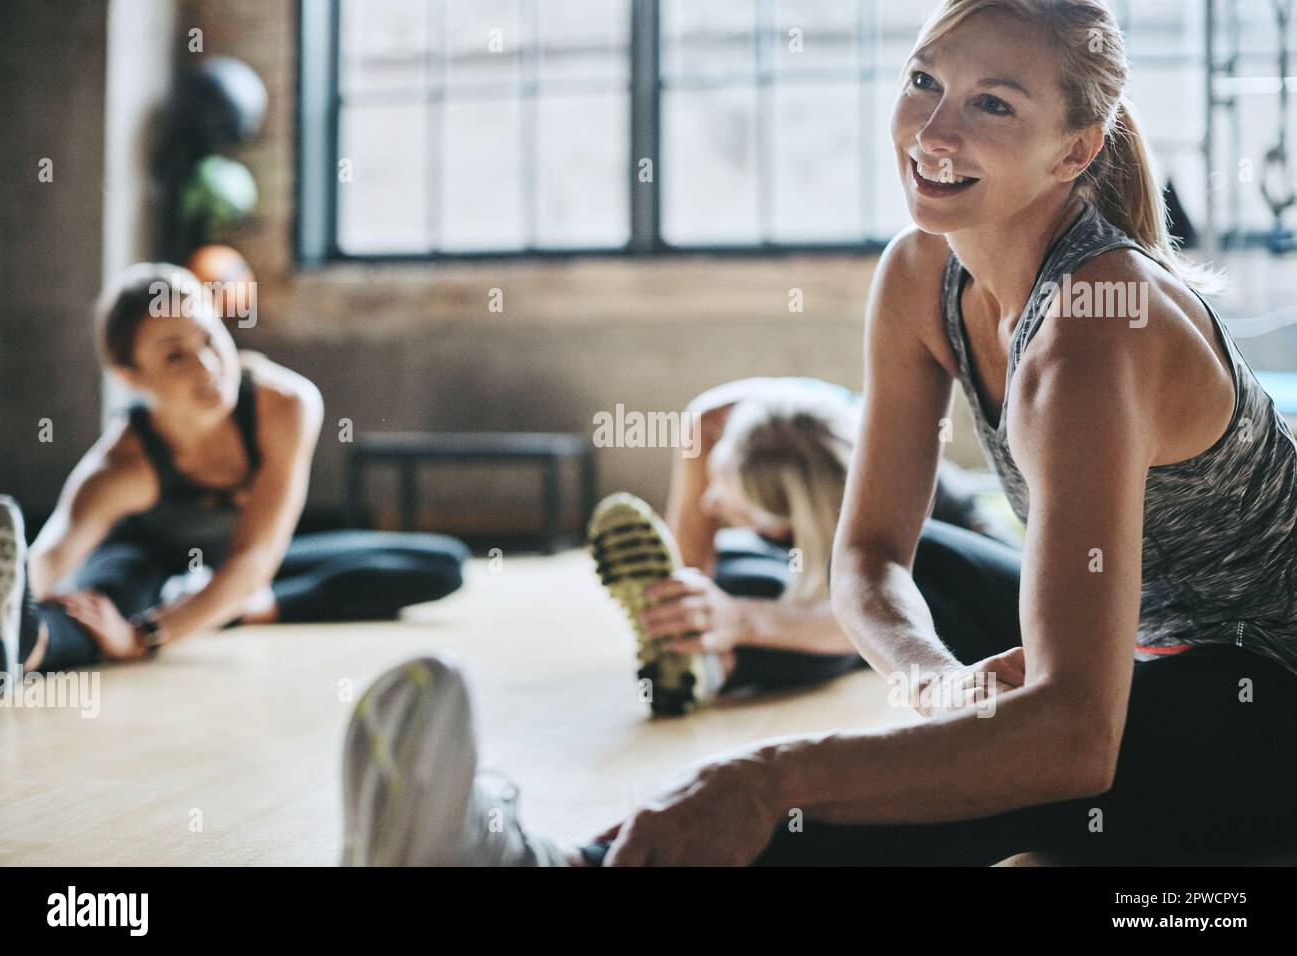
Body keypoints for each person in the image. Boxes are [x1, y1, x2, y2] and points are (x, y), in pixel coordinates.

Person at [339, 0, 1297, 866]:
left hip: (1269, 690)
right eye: (925, 80)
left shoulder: (1096, 330)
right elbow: (872, 553)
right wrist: (936, 687)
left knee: (1007, 764)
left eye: (992, 105)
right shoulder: (925, 273)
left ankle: (547, 867)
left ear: (1075, 151)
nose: (932, 130)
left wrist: (768, 777)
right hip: (1152, 645)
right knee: (936, 605)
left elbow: (1073, 741)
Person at [0, 263, 468, 679]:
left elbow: (254, 557)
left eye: (208, 336)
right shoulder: (122, 463)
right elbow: (54, 555)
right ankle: (24, 647)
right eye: (174, 355)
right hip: (146, 564)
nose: (206, 365)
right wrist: (113, 626)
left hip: (243, 560)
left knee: (440, 564)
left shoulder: (285, 405)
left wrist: (152, 635)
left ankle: (236, 607)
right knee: (95, 610)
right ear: (132, 376)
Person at [589, 377, 1024, 715]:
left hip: (945, 589)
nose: (710, 503)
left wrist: (741, 620)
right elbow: (695, 567)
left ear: (791, 522)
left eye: (730, 501)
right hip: (816, 549)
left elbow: (873, 609)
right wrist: (694, 612)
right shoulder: (717, 423)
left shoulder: (898, 501)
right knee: (737, 579)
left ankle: (726, 667)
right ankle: (706, 659)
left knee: (840, 635)